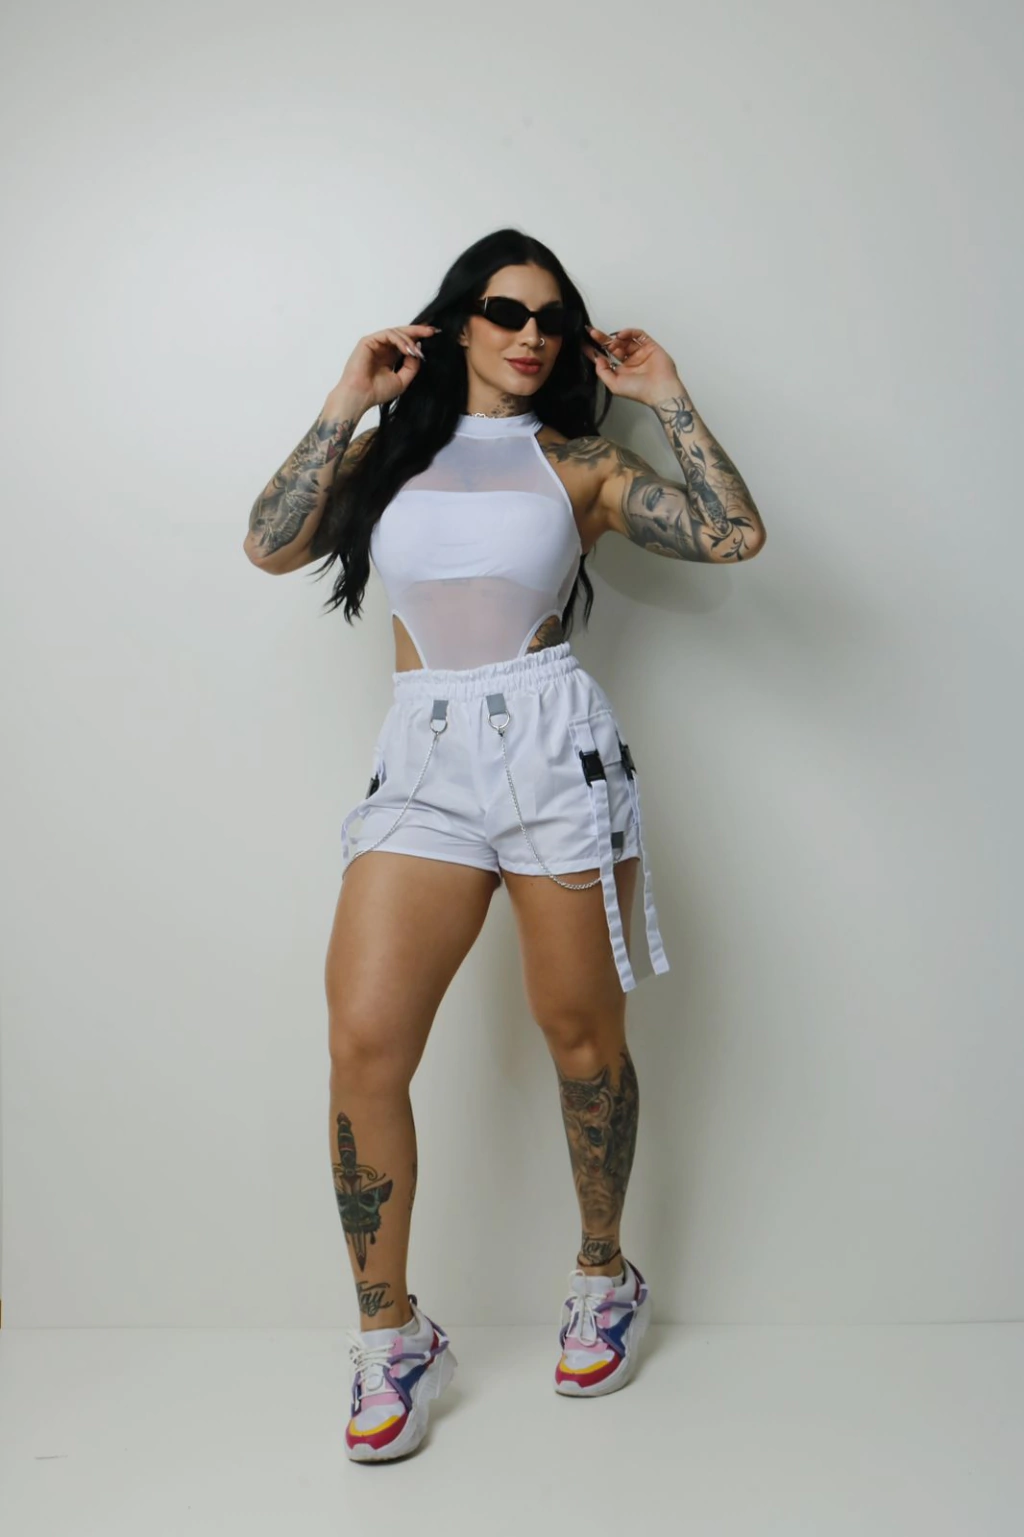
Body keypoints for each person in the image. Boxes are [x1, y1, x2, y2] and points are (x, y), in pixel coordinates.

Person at [244, 228, 766, 1462]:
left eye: (550, 318)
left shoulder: (578, 462)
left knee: (580, 1037)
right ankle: (391, 1337)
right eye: (504, 311)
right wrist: (347, 396)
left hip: (551, 748)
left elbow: (731, 535)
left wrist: (666, 395)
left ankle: (603, 1272)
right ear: (457, 323)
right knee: (365, 1041)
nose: (530, 334)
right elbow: (271, 542)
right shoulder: (388, 456)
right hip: (423, 759)